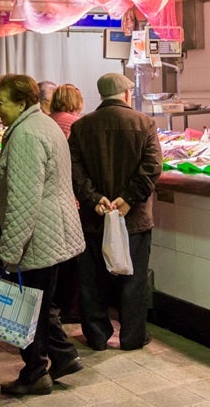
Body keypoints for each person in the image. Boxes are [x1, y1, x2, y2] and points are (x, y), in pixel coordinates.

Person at [0, 74, 86, 396]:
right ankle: (62, 357)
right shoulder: (44, 124)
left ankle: (34, 373)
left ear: (21, 102)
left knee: (26, 309)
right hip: (54, 230)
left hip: (38, 234)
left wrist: (10, 250)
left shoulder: (26, 136)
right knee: (42, 305)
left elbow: (23, 198)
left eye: (2, 102)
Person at [68, 72, 163, 352]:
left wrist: (94, 199)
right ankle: (133, 337)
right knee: (133, 280)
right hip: (133, 218)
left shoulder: (81, 126)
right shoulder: (144, 123)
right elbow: (152, 167)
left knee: (92, 280)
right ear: (125, 94)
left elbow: (74, 170)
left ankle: (97, 336)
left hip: (93, 218)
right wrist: (129, 199)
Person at [47, 83, 85, 323]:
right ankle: (71, 308)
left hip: (51, 197)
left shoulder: (47, 121)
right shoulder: (74, 124)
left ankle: (55, 302)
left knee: (56, 257)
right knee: (73, 257)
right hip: (71, 198)